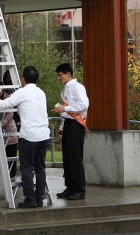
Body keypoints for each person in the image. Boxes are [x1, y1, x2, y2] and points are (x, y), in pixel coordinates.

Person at [0, 66, 50, 208]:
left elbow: (2, 105)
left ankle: (30, 199)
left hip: (29, 136)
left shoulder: (22, 92)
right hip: (43, 135)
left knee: (26, 168)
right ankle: (39, 197)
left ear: (23, 79)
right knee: (40, 167)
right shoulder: (41, 93)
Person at [51, 63, 89, 201]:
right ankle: (70, 186)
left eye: (60, 75)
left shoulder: (77, 87)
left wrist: (65, 109)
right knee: (67, 157)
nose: (58, 78)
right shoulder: (66, 89)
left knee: (75, 157)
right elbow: (65, 109)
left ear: (68, 74)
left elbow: (84, 105)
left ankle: (79, 188)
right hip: (68, 123)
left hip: (76, 125)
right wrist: (61, 126)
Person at [0, 71, 18, 180]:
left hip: (9, 130)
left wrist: (0, 125)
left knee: (11, 154)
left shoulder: (9, 95)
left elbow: (10, 113)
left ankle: (12, 176)